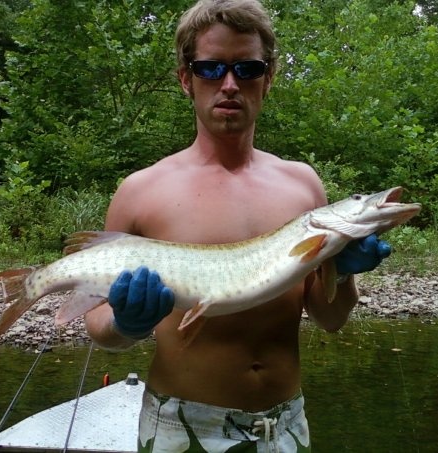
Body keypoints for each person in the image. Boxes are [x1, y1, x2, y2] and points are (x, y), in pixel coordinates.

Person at [85, 1, 391, 451]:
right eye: (210, 68)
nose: (229, 84)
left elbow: (330, 318)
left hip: (286, 427)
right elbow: (98, 323)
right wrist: (126, 326)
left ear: (267, 79)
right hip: (180, 428)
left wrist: (341, 273)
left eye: (247, 68)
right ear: (186, 79)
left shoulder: (303, 185)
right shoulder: (140, 190)